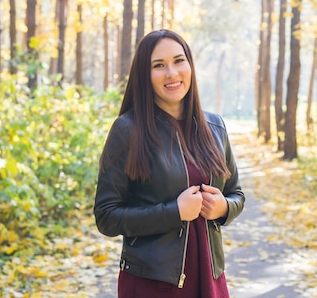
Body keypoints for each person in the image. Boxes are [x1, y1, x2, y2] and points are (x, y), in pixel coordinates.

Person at [94, 29, 245, 298]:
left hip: (209, 277)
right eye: (159, 65)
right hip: (152, 283)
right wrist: (173, 212)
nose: (172, 73)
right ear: (145, 74)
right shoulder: (128, 131)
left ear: (190, 65)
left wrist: (224, 207)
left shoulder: (215, 126)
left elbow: (236, 193)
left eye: (178, 61)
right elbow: (107, 216)